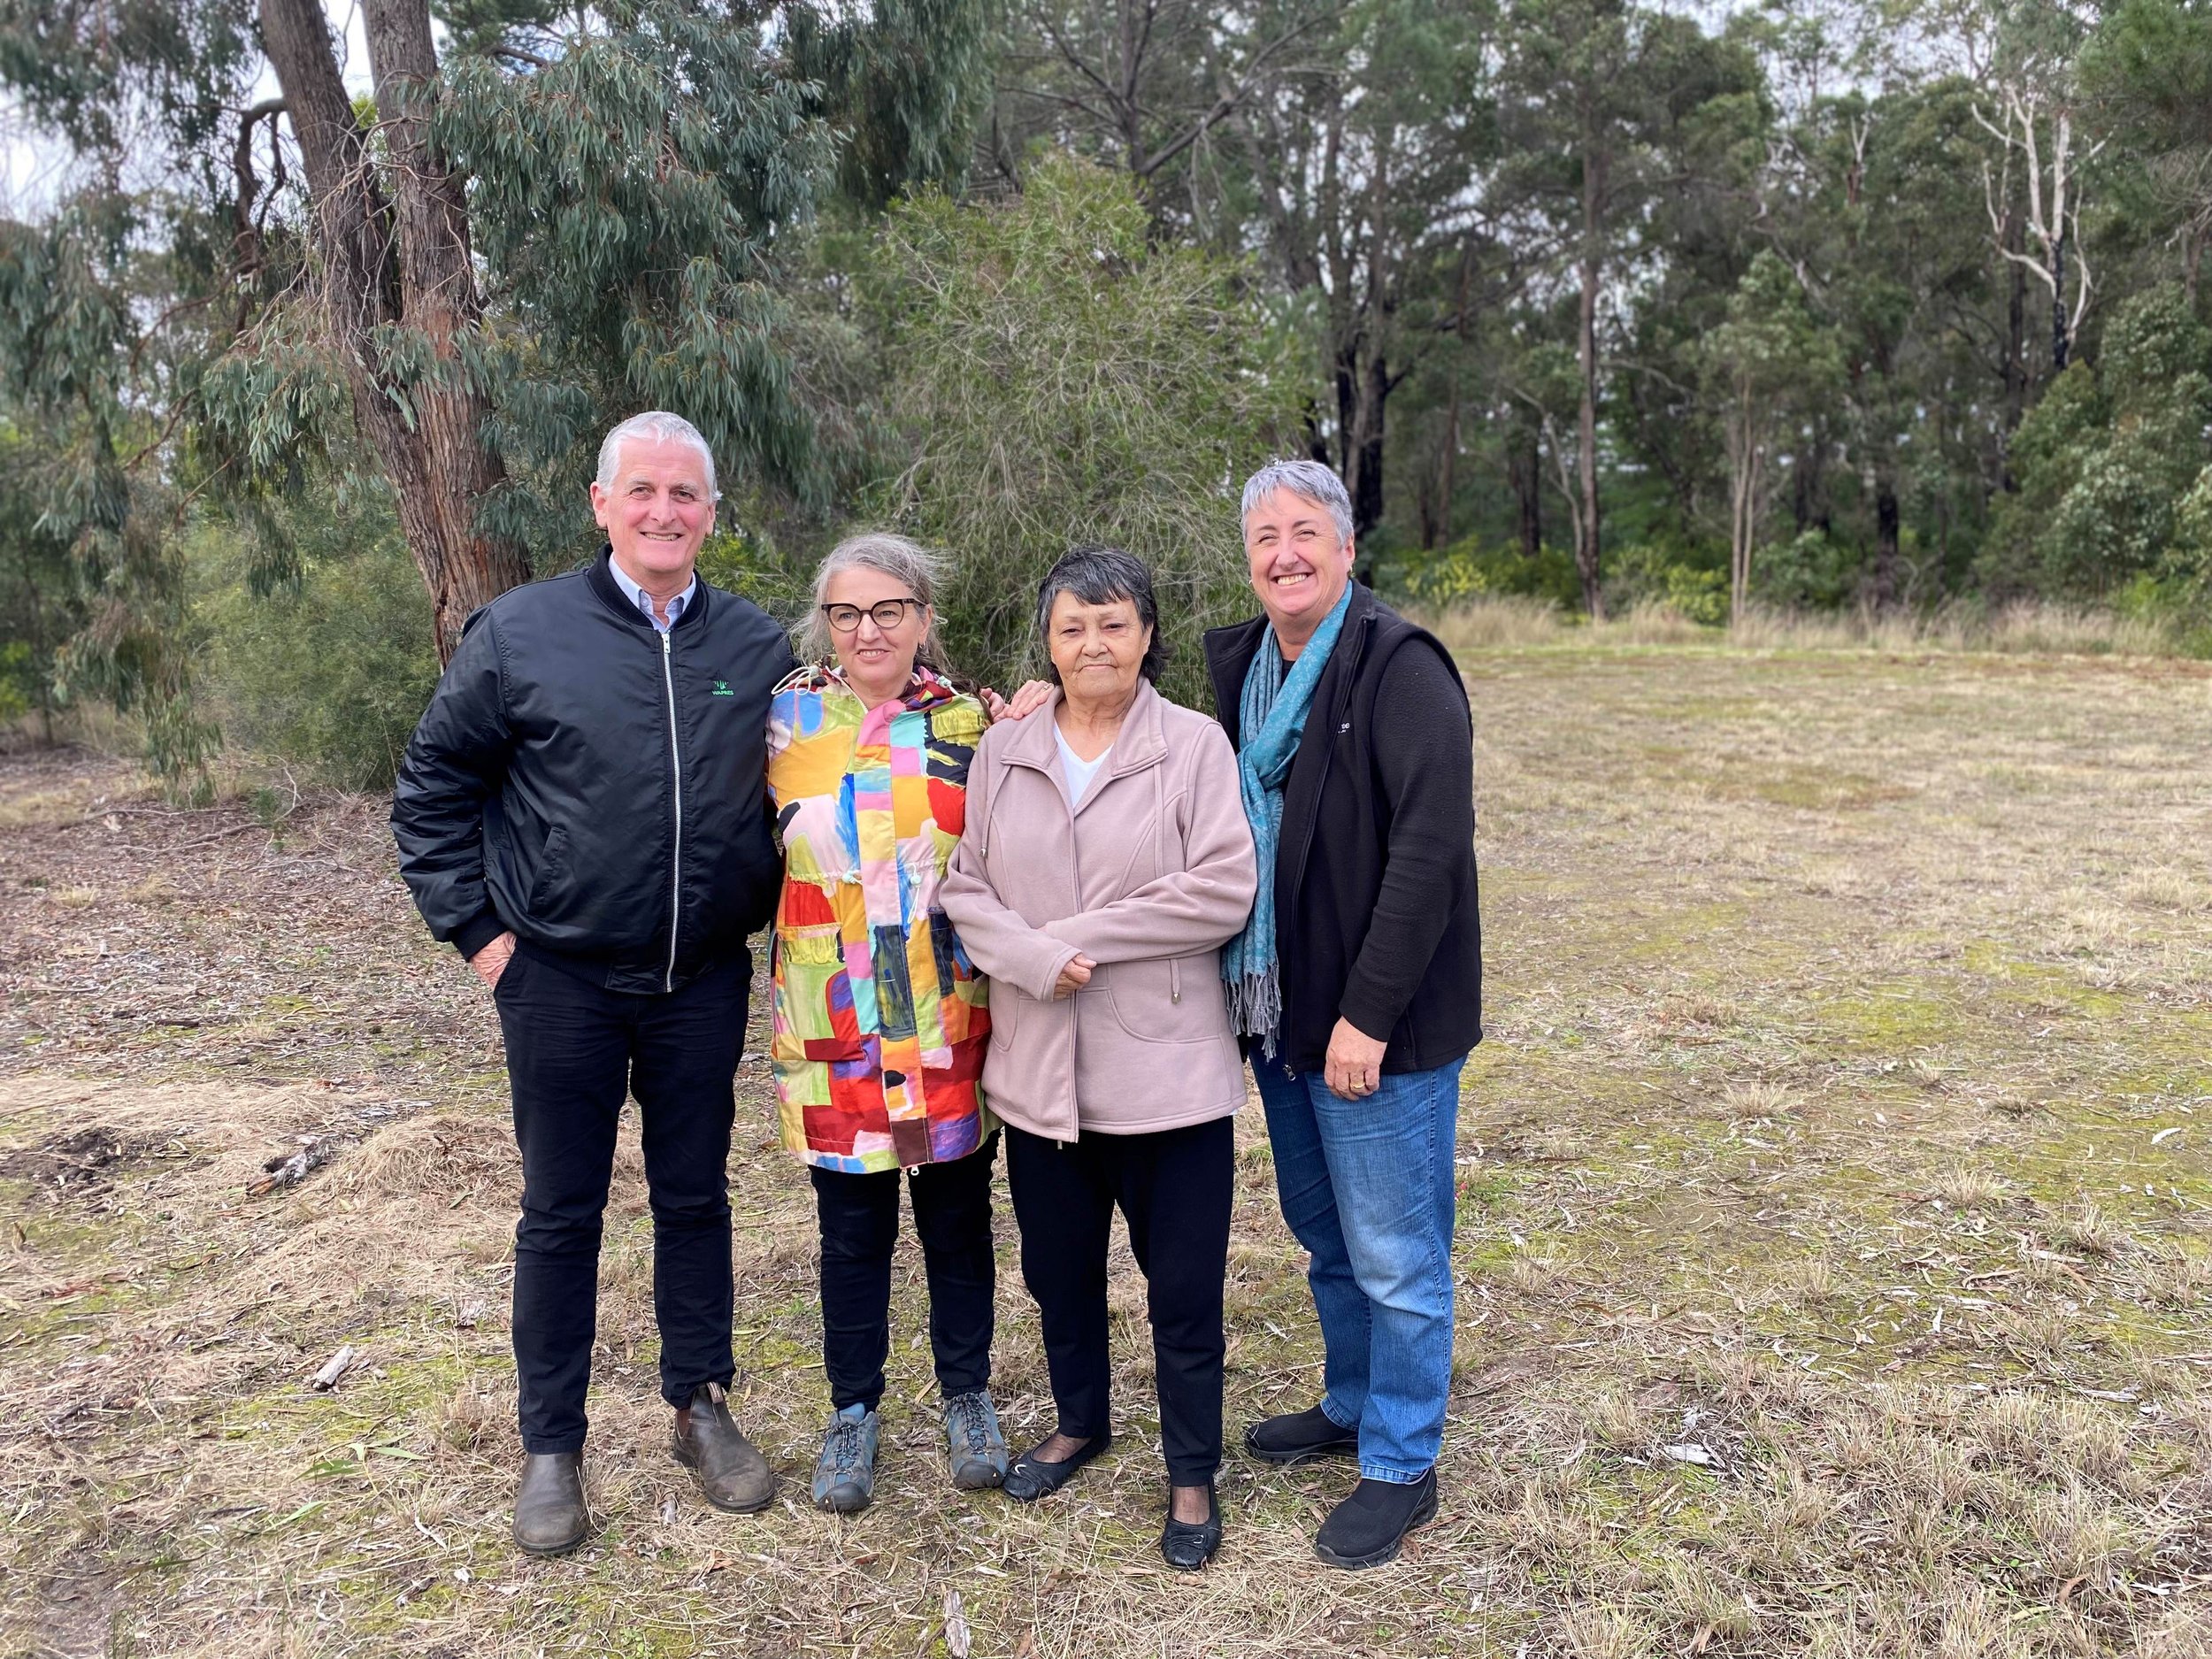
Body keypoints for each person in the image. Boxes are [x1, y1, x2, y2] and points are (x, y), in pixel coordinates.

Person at [391, 411, 792, 1556]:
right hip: (558, 980)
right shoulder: (521, 634)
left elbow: (854, 739)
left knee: (695, 1197)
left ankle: (698, 1403)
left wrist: (1005, 718)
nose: (665, 510)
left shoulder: (756, 649)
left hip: (700, 982)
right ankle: (551, 1444)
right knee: (560, 1212)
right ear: (601, 502)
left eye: (687, 493)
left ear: (712, 512)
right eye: (644, 490)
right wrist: (482, 936)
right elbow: (429, 790)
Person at [941, 547, 1257, 1572]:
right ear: (1049, 641)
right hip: (1040, 1077)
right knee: (1058, 1274)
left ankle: (1191, 1471)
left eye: (1113, 625)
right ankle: (1080, 1421)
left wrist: (1082, 935)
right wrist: (1035, 955)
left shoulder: (1195, 745)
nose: (1093, 645)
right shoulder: (1008, 749)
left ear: (1147, 635)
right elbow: (967, 888)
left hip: (1165, 1076)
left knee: (1184, 1293)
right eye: (1073, 627)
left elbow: (1222, 890)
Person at [1205, 458, 1482, 1571]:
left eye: (1306, 531)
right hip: (1281, 1012)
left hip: (1376, 1027)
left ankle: (1403, 1462)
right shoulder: (1240, 666)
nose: (1285, 552)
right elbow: (1127, 713)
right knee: (1326, 1237)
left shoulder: (1398, 665)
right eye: (1265, 534)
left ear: (1348, 547)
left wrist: (1365, 1017)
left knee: (1395, 1253)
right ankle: (1354, 1399)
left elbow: (1427, 852)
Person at [765, 533, 1014, 1513]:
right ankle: (853, 1412)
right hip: (833, 1029)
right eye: (846, 613)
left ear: (923, 618)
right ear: (825, 623)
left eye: (888, 611)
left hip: (945, 1018)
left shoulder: (972, 722)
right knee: (851, 1231)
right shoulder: (783, 720)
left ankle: (968, 1395)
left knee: (957, 1222)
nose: (867, 630)